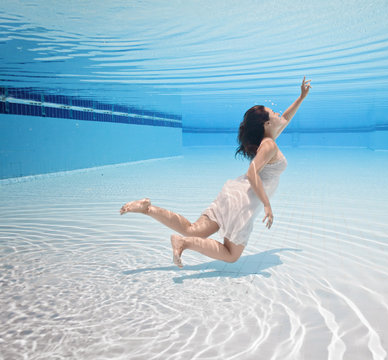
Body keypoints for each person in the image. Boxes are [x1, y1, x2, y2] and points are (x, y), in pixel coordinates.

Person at [119, 77, 311, 268]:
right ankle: (183, 243)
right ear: (267, 125)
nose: (279, 113)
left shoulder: (268, 138)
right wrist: (267, 204)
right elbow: (252, 173)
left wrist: (301, 97)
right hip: (244, 202)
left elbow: (285, 118)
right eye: (273, 113)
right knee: (231, 255)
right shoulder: (269, 144)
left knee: (192, 229)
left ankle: (147, 208)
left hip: (235, 194)